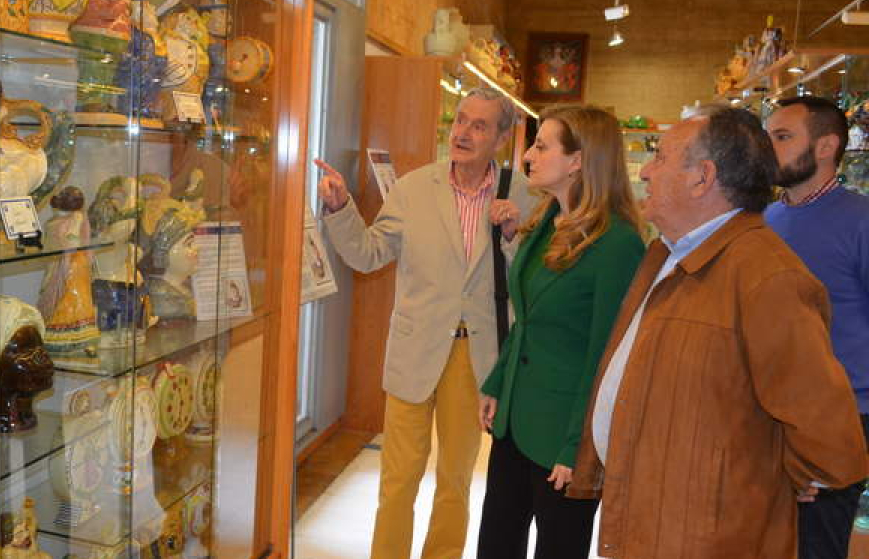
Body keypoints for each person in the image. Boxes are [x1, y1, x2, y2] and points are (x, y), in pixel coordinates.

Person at [568, 107, 869, 559]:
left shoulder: (766, 275)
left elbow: (828, 438)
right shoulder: (667, 254)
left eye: (662, 157)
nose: (647, 171)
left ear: (702, 177)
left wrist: (783, 473)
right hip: (652, 520)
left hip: (707, 536)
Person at [316, 87, 538, 559]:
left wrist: (515, 233)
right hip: (415, 352)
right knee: (397, 481)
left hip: (476, 356)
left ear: (501, 137)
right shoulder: (414, 188)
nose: (463, 132)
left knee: (455, 482)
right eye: (460, 120)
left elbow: (534, 278)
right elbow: (369, 252)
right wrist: (340, 209)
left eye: (480, 125)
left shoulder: (523, 194)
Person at [477, 106, 645, 559]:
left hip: (563, 440)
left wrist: (578, 447)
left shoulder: (618, 243)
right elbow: (526, 321)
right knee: (496, 544)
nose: (529, 155)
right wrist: (496, 383)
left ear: (578, 160)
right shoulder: (546, 222)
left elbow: (606, 359)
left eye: (541, 145)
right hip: (515, 423)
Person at [764, 95, 869, 559]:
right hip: (773, 410)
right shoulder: (765, 218)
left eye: (783, 137)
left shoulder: (861, 220)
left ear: (826, 147)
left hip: (841, 413)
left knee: (815, 546)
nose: (769, 148)